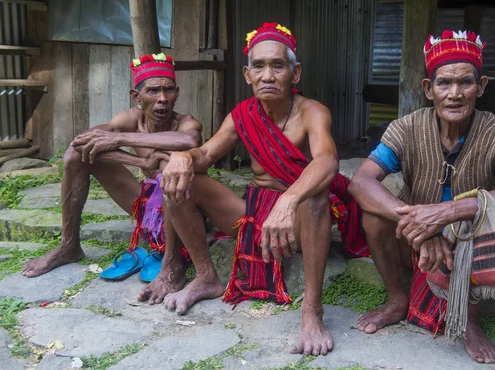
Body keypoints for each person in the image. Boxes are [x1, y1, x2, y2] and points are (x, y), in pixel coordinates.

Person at [152, 22, 367, 357]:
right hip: (253, 211)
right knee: (176, 179)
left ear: (295, 74)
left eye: (277, 66)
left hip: (298, 218)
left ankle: (312, 312)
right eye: (259, 66)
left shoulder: (313, 112)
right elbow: (206, 154)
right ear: (247, 74)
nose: (268, 75)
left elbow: (327, 162)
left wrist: (288, 200)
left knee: (315, 197)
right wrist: (181, 156)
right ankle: (207, 277)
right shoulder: (242, 115)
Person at [348, 30, 495, 364]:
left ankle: (469, 321)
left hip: (466, 240)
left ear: (481, 86)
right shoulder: (405, 128)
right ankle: (396, 300)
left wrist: (447, 213)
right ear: (427, 88)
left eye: (465, 83)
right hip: (415, 238)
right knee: (373, 215)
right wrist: (420, 221)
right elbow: (361, 182)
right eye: (444, 84)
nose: (454, 94)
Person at [21, 53, 202, 279]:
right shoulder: (130, 119)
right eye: (153, 91)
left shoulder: (186, 122)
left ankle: (172, 258)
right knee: (75, 156)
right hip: (148, 204)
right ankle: (69, 246)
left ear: (177, 94)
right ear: (136, 96)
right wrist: (140, 161)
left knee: (169, 165)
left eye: (169, 90)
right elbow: (80, 143)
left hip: (185, 208)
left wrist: (120, 139)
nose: (163, 98)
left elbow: (189, 141)